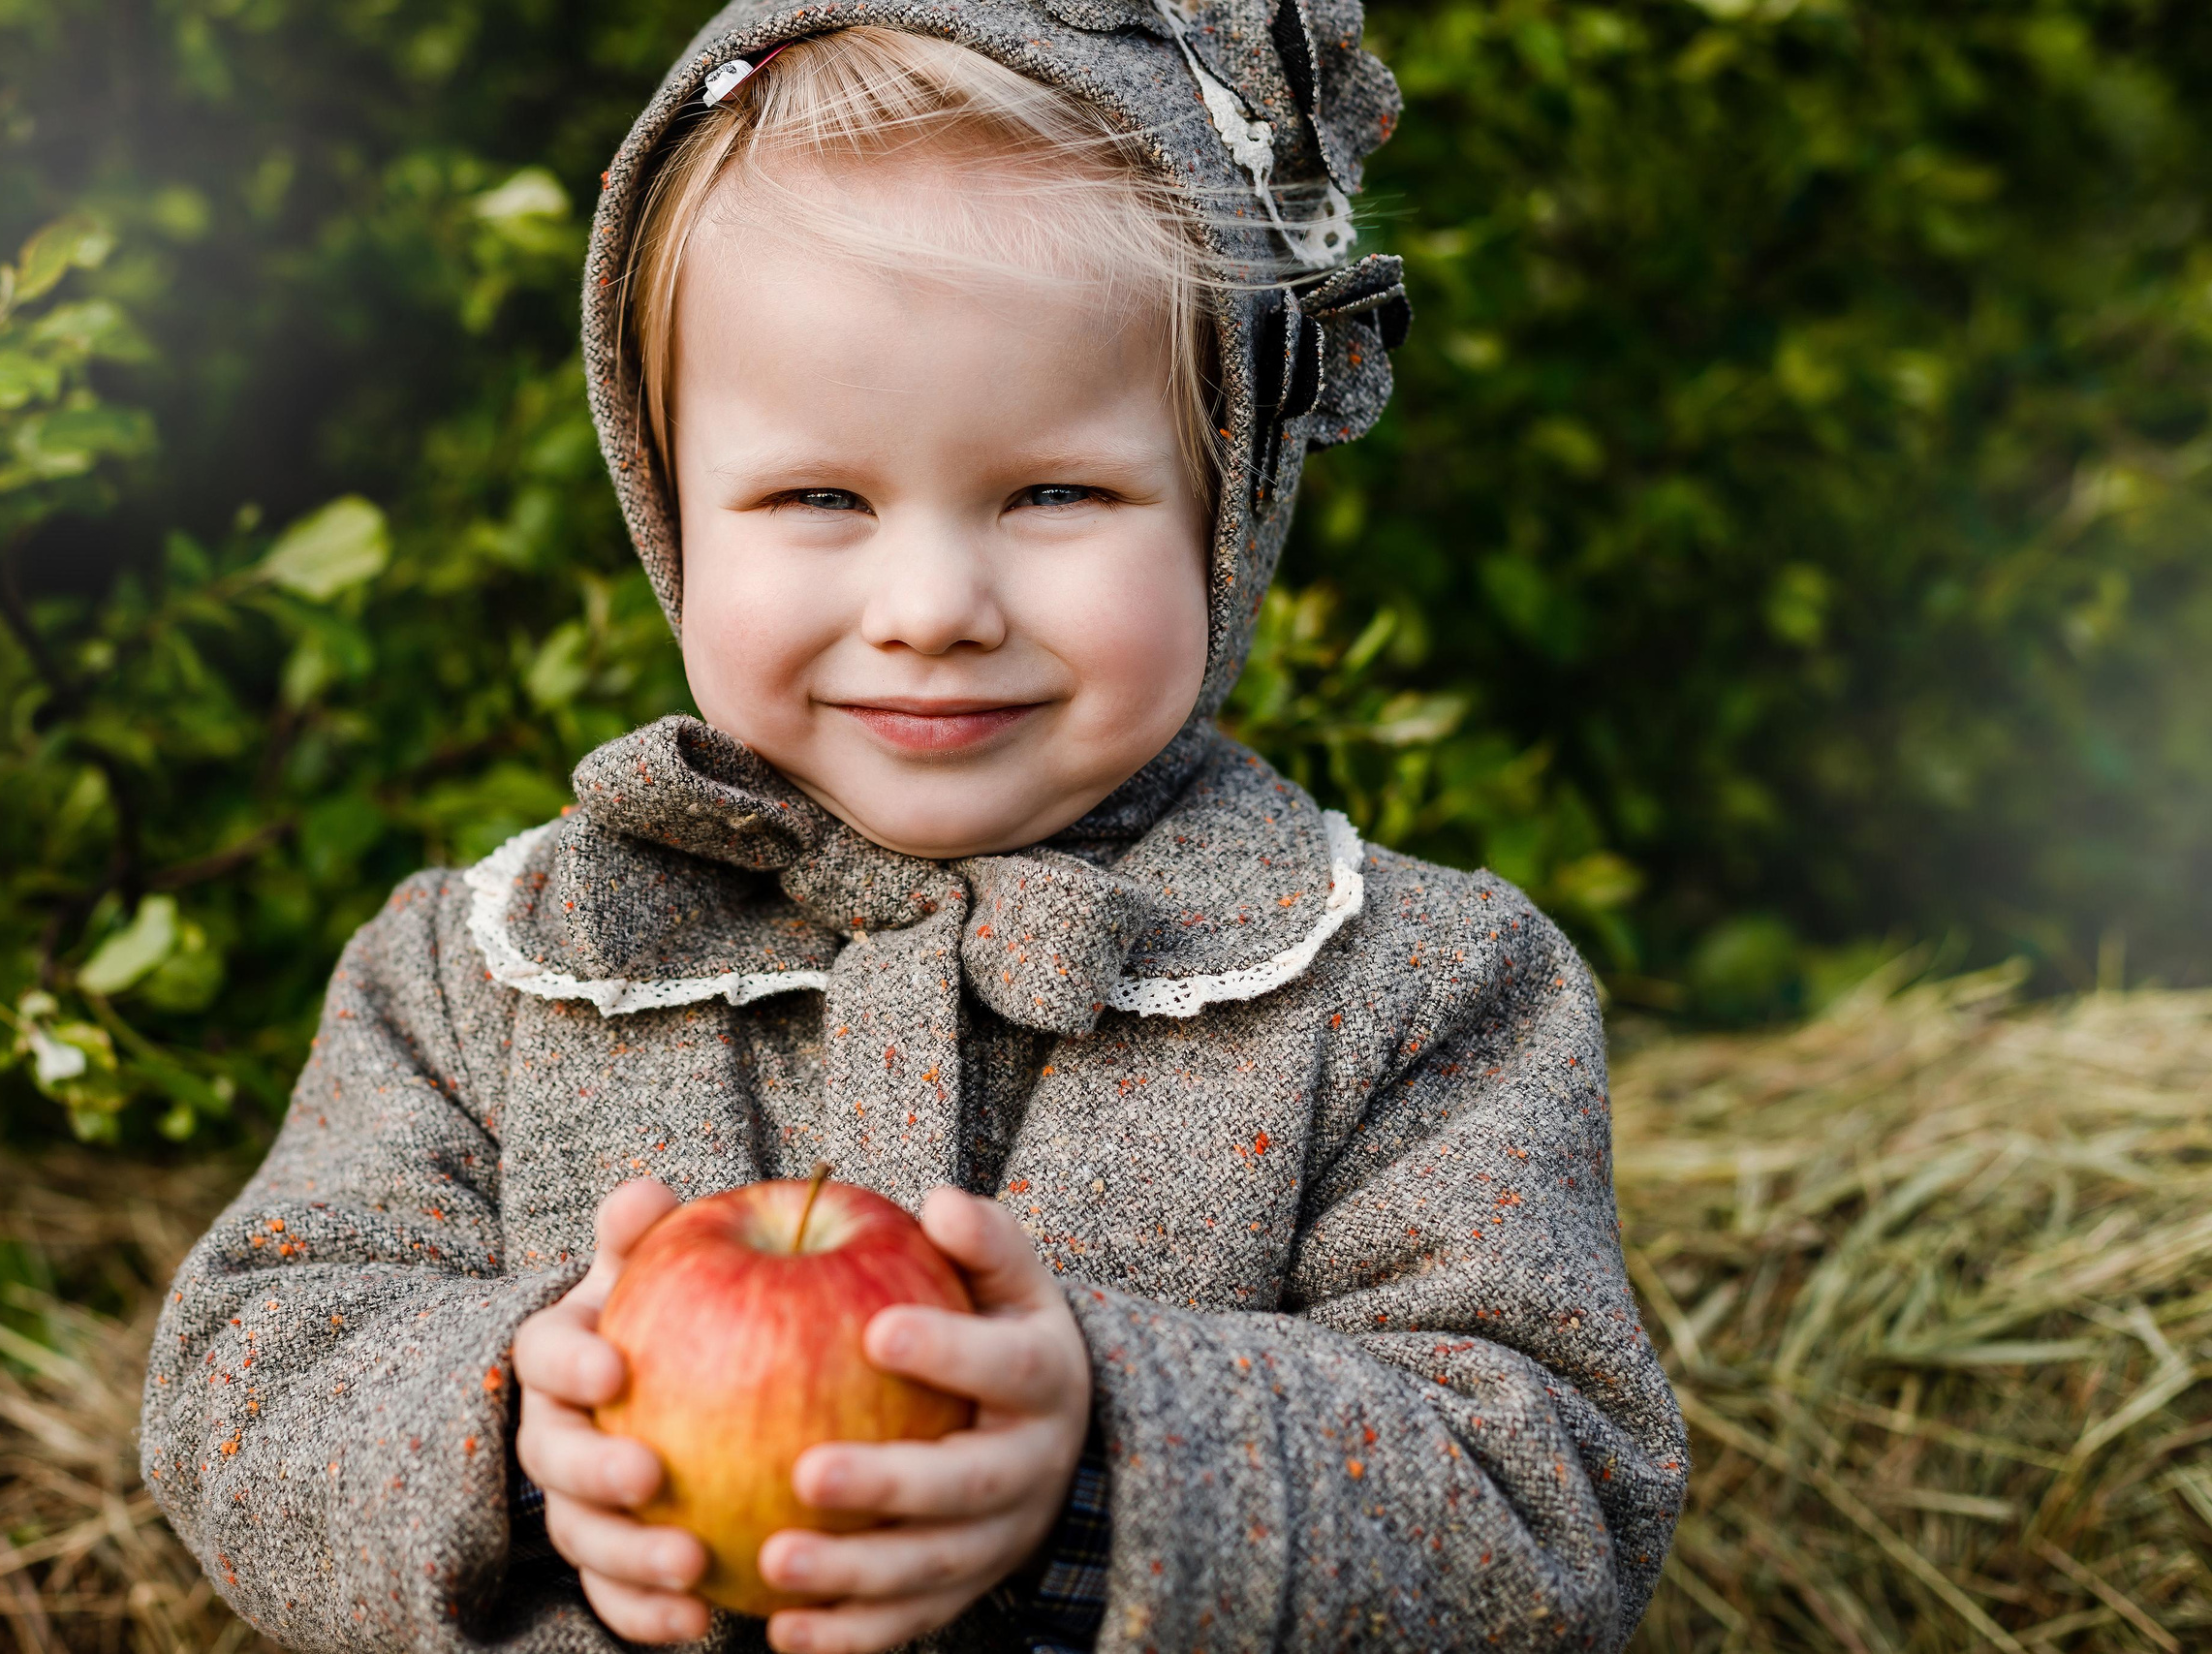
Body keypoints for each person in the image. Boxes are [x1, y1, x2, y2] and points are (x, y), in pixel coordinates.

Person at [139, 4, 1687, 1651]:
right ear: (664, 497)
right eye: (822, 499)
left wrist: (1107, 1457)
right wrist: (525, 1427)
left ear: (1228, 495)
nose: (933, 606)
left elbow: (1559, 1494)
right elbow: (247, 1374)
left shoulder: (1422, 994)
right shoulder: (490, 973)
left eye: (1054, 494)